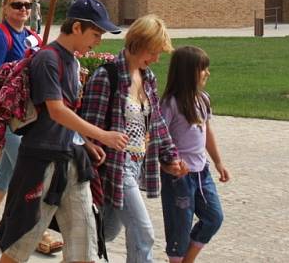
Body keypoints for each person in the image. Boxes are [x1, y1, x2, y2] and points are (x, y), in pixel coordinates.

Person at [0, 0, 129, 263]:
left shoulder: (73, 61)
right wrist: (102, 135)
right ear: (77, 27)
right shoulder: (48, 59)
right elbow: (56, 110)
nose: (99, 40)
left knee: (85, 243)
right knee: (21, 243)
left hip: (70, 160)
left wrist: (85, 142)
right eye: (96, 33)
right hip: (40, 162)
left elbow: (67, 113)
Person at [79, 14, 187, 263]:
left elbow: (157, 122)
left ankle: (75, 255)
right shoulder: (106, 77)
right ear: (138, 44)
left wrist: (170, 156)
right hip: (114, 168)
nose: (156, 59)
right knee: (143, 233)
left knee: (105, 230)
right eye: (153, 51)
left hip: (136, 165)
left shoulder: (148, 79)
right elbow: (87, 129)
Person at [0, 0, 63, 255]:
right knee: (32, 173)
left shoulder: (33, 36)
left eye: (27, 5)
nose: (23, 9)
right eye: (17, 5)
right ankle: (37, 231)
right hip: (11, 119)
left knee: (7, 172)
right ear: (5, 8)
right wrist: (22, 74)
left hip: (30, 117)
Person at [160, 46, 228, 263]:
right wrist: (167, 164)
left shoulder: (203, 99)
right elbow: (158, 138)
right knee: (179, 227)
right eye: (203, 69)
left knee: (214, 217)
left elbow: (207, 134)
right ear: (187, 72)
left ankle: (187, 260)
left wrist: (218, 161)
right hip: (179, 177)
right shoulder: (170, 104)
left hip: (202, 173)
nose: (207, 73)